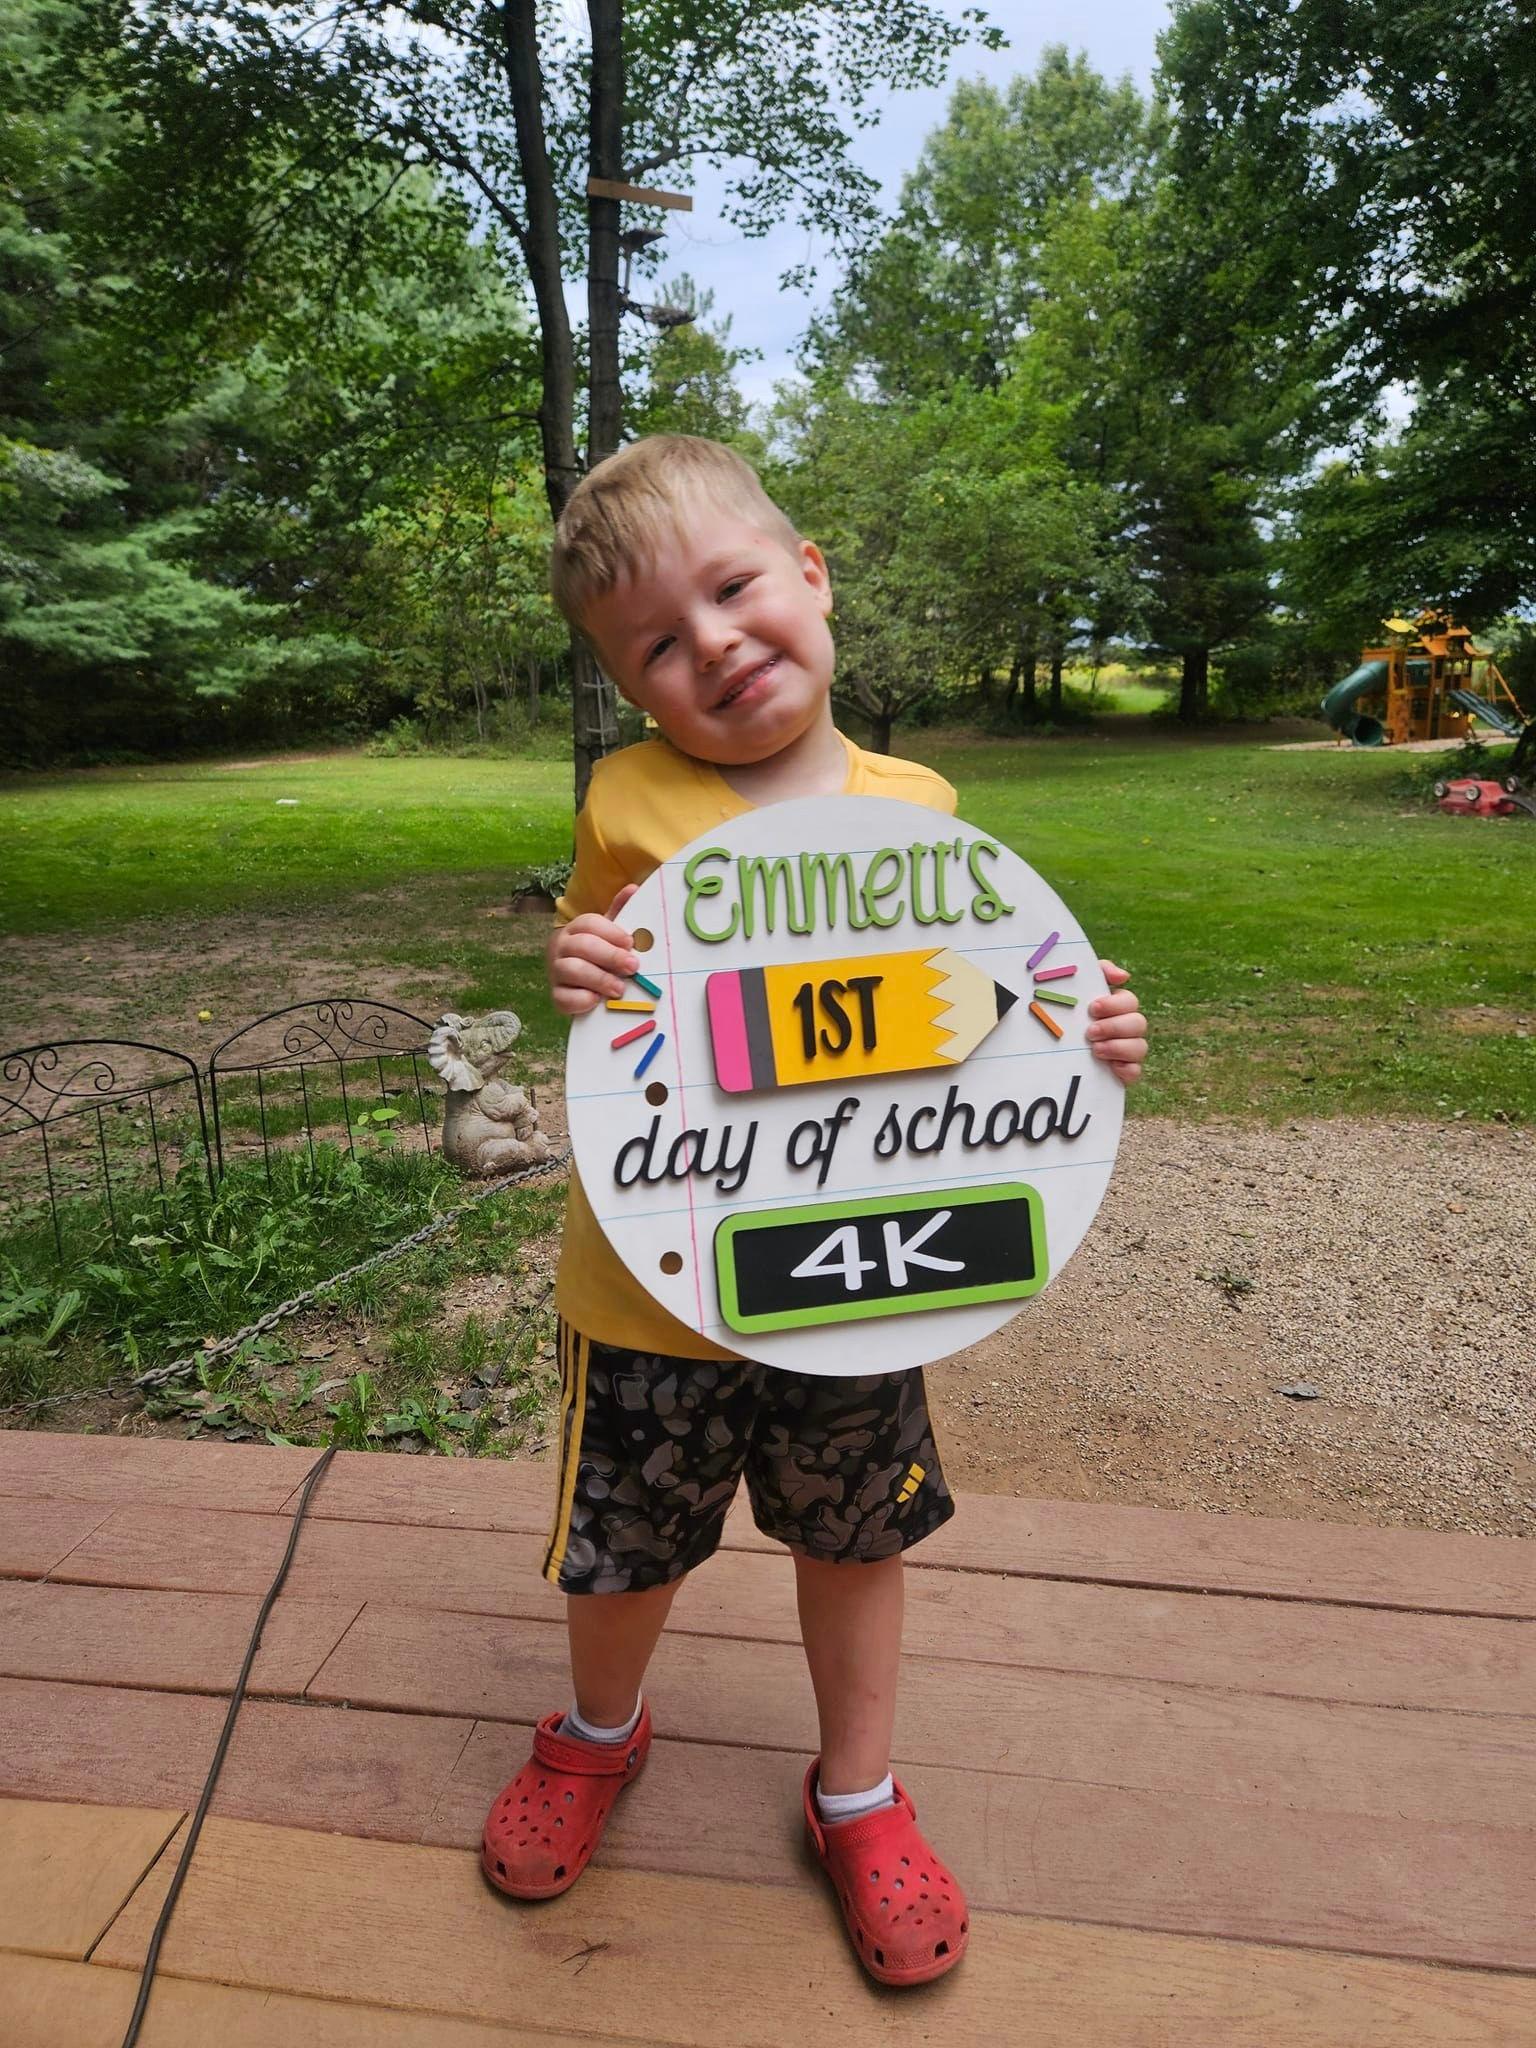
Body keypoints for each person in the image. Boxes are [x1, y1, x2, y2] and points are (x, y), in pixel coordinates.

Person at [480, 435, 1148, 1987]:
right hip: (656, 1280)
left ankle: (856, 1791)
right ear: (629, 685)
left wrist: (1095, 1037)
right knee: (627, 1545)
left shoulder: (920, 801)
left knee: (855, 1535)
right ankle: (596, 1734)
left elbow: (997, 1004)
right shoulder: (627, 800)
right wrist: (575, 972)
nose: (710, 641)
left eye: (733, 589)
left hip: (864, 1275)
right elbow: (605, 984)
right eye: (657, 639)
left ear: (811, 578)